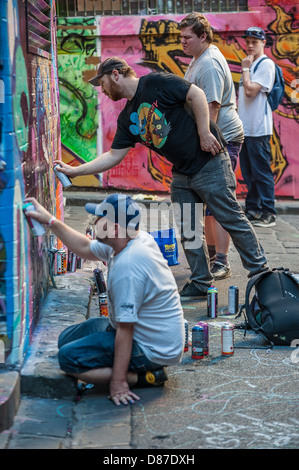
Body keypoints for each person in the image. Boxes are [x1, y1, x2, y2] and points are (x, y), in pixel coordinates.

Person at [54, 56, 269, 301]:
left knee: (230, 217)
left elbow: (196, 94)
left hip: (209, 162)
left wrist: (204, 132)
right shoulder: (127, 118)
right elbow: (114, 155)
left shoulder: (155, 82)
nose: (101, 90)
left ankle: (262, 274)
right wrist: (74, 171)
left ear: (115, 74)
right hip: (182, 172)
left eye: (102, 83)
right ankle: (201, 282)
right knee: (188, 228)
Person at [24, 193, 185, 406]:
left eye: (100, 219)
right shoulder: (127, 240)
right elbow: (84, 247)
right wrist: (50, 221)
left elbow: (126, 329)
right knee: (66, 339)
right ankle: (128, 370)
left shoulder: (130, 265)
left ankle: (145, 377)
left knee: (68, 359)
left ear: (115, 229)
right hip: (139, 332)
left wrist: (117, 383)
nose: (94, 222)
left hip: (152, 348)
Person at [180, 12, 244, 281]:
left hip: (222, 138)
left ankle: (222, 262)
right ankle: (213, 256)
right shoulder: (198, 59)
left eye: (187, 37)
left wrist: (201, 142)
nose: (182, 42)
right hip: (212, 138)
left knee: (219, 202)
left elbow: (212, 109)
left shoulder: (209, 64)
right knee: (207, 201)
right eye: (181, 37)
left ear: (203, 36)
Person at [238, 27, 276, 228]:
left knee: (261, 172)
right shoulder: (251, 64)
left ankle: (268, 212)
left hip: (259, 129)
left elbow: (251, 91)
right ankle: (252, 209)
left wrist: (245, 69)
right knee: (248, 173)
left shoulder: (265, 64)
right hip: (245, 128)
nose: (250, 45)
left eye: (255, 41)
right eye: (248, 41)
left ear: (263, 43)